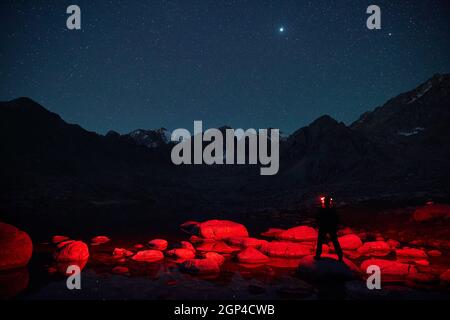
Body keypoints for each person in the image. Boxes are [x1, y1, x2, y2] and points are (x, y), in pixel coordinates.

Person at [314, 195, 343, 261]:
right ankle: (340, 256)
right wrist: (336, 227)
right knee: (335, 242)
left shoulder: (321, 209)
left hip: (323, 227)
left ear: (324, 202)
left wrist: (318, 224)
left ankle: (318, 256)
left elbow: (317, 218)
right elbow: (337, 219)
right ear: (330, 202)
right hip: (331, 228)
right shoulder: (333, 210)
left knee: (320, 242)